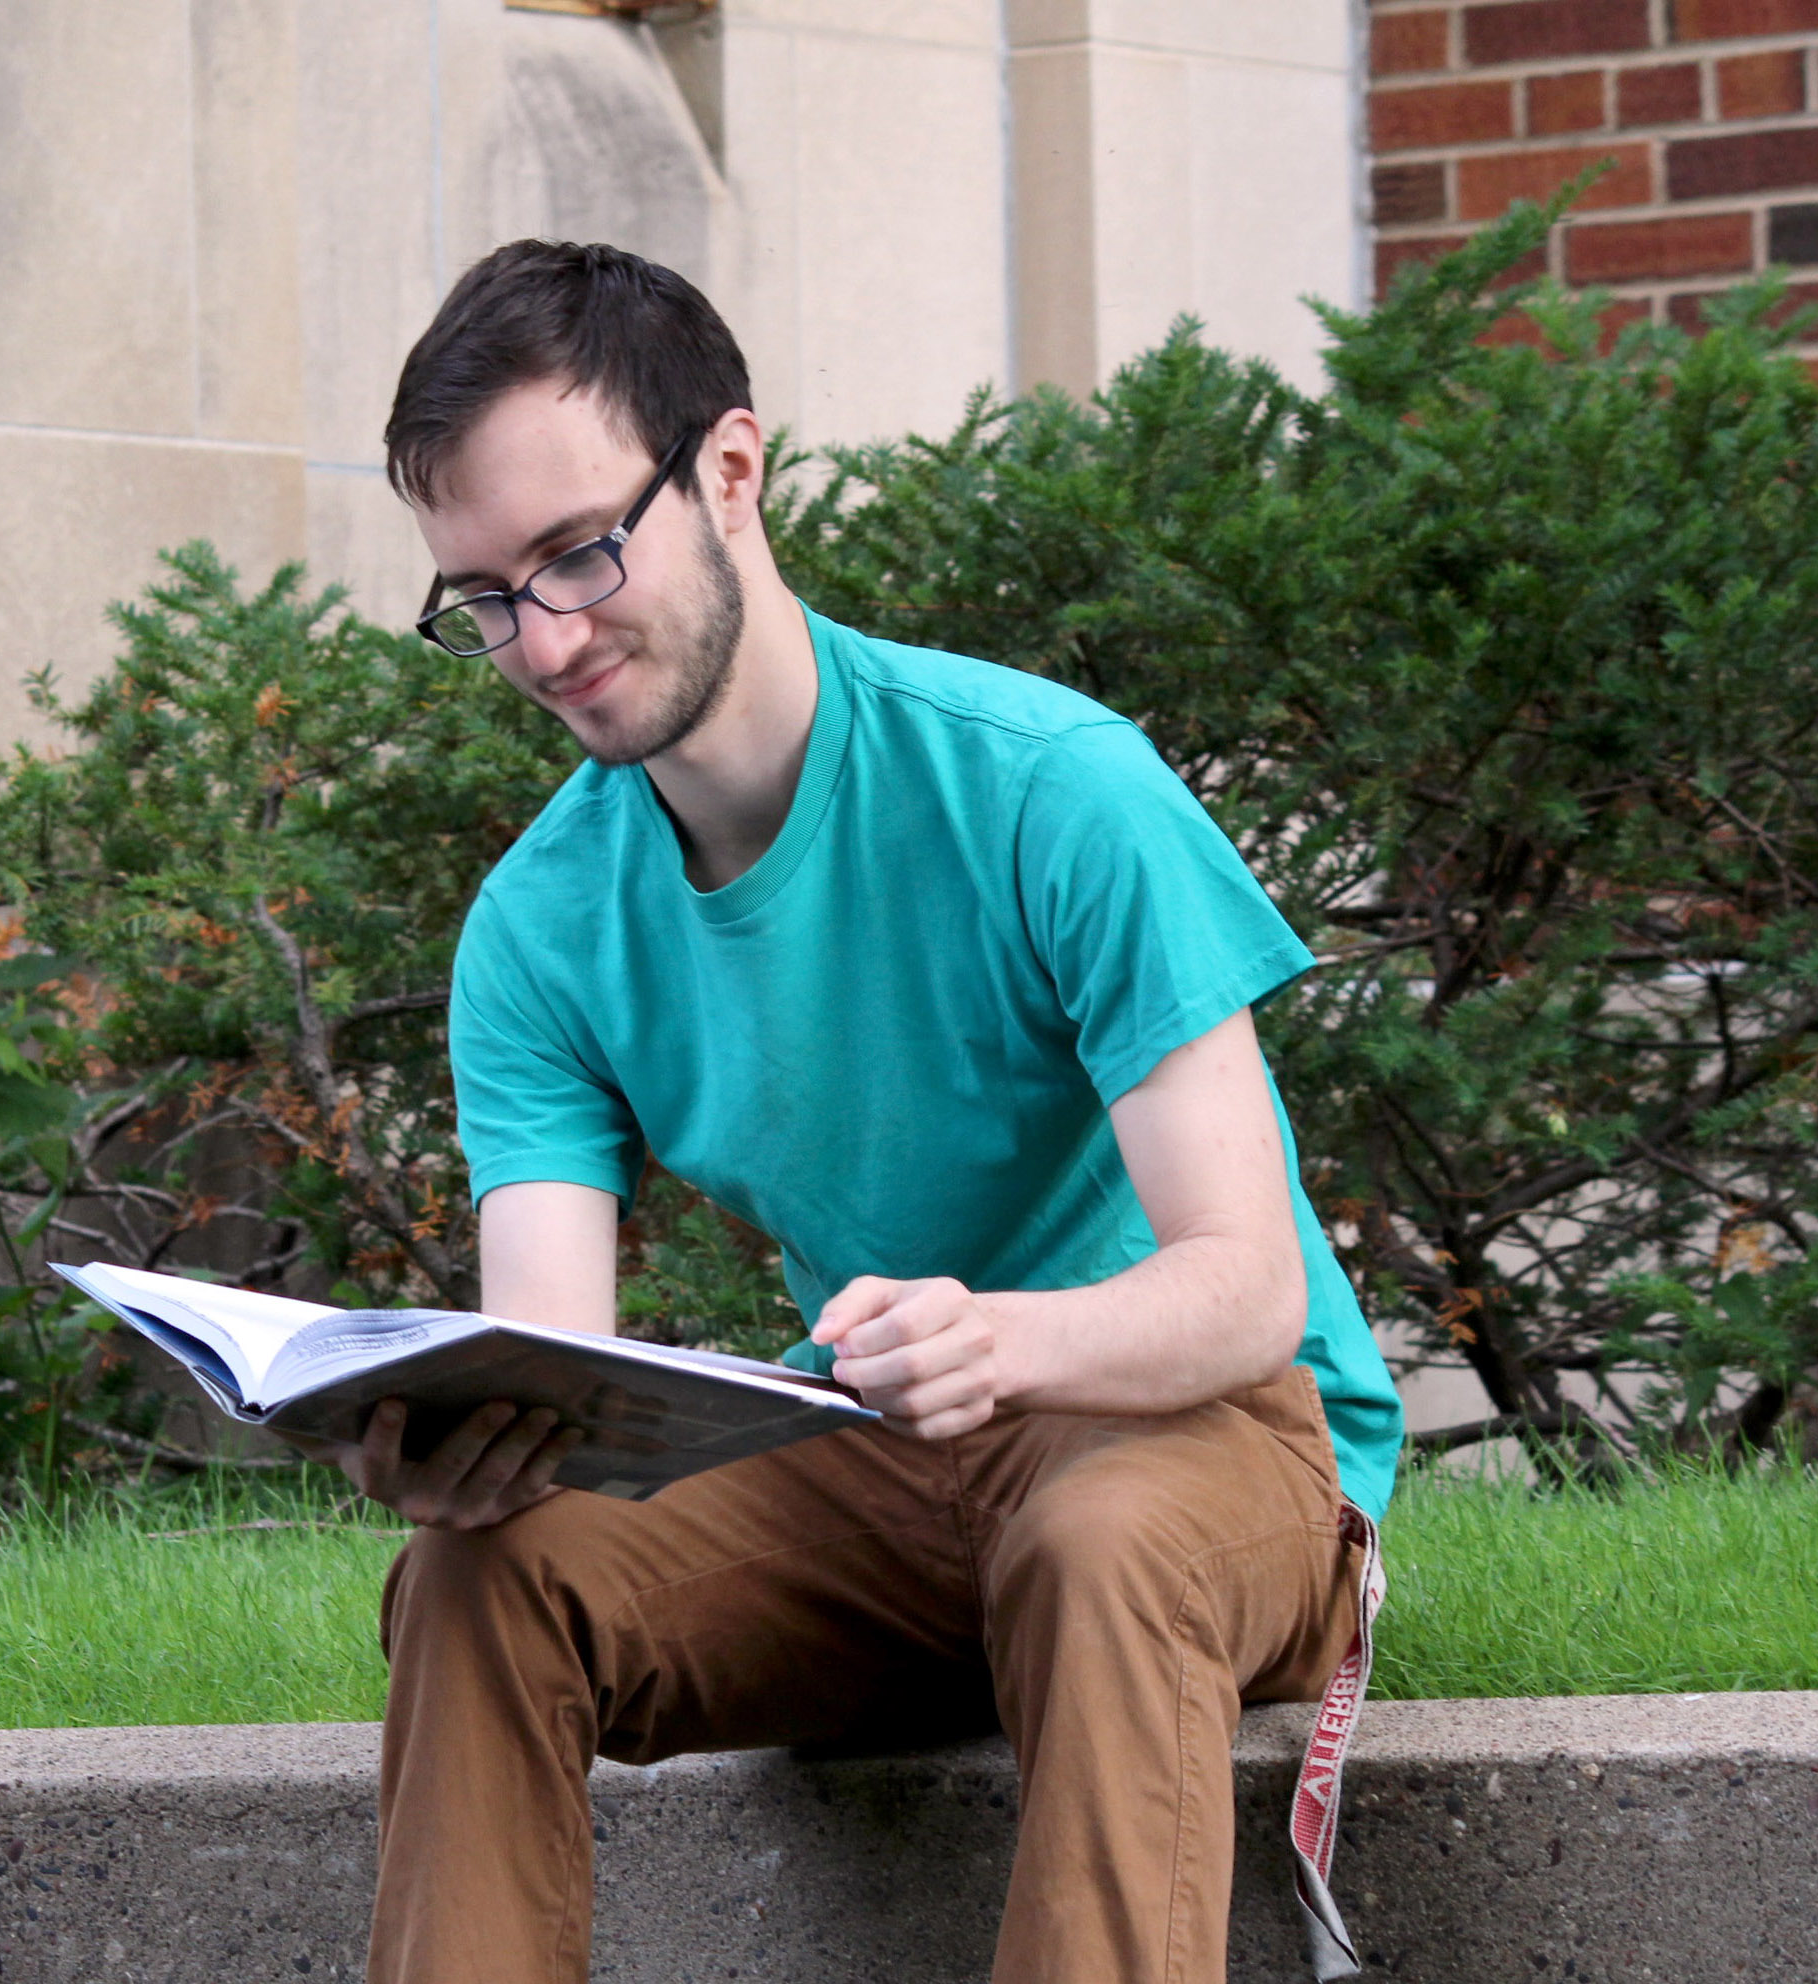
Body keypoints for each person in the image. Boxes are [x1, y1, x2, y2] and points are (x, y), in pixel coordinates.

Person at [307, 238, 1404, 1984]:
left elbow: (1245, 1287)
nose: (548, 638)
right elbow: (556, 1363)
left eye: (582, 551)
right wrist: (463, 1438)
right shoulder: (538, 925)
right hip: (888, 1469)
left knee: (1102, 1535)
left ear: (731, 471)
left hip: (1210, 1442)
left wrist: (1006, 1341)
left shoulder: (1049, 788)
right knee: (485, 1577)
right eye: (487, 596)